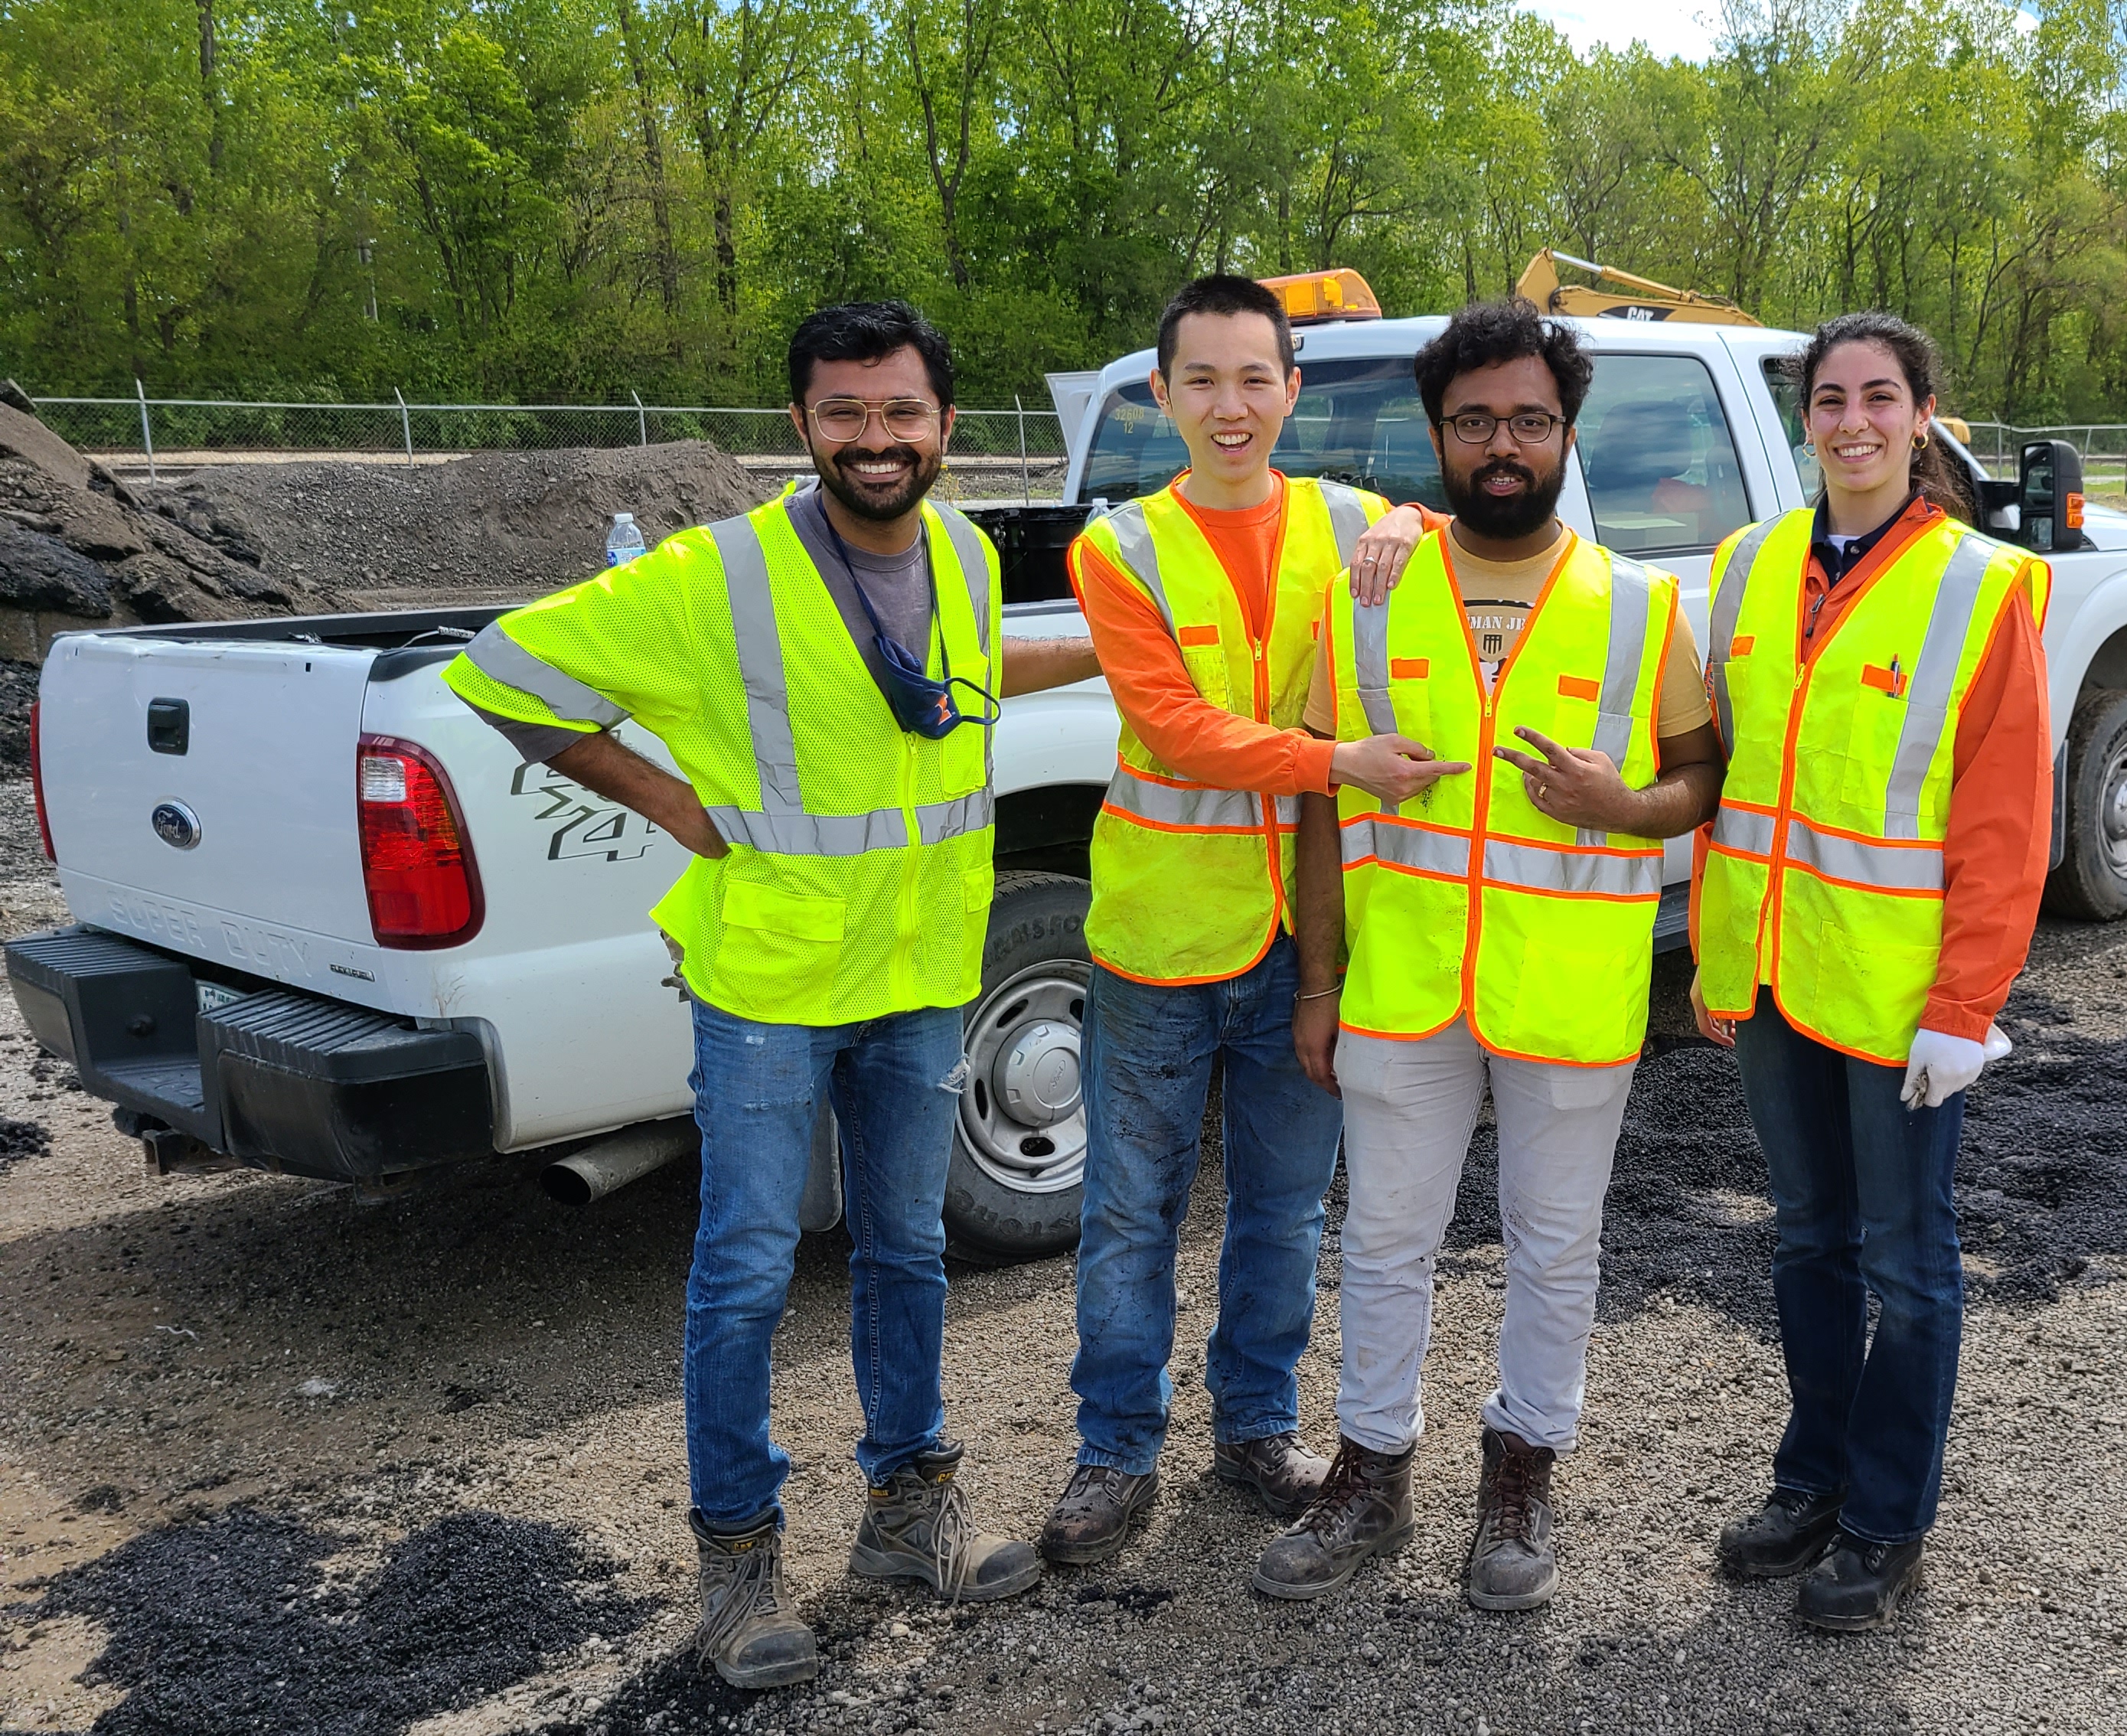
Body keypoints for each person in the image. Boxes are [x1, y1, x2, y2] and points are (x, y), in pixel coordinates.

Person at [446, 300, 1101, 1689]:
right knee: (745, 1270)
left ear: (944, 429)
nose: (878, 439)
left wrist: (1123, 648)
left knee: (909, 1250)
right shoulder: (713, 578)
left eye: (903, 412)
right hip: (770, 981)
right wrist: (665, 801)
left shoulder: (971, 560)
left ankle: (908, 1515)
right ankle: (738, 1565)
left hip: (924, 972)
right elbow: (501, 671)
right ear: (800, 426)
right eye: (847, 414)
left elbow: (949, 692)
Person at [1254, 299, 1724, 1612]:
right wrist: (1318, 981)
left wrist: (1625, 810)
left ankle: (1522, 1473)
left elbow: (1700, 777)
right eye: (1475, 423)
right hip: (1402, 986)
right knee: (1386, 1239)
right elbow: (1317, 801)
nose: (1502, 445)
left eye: (1528, 420)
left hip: (1567, 994)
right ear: (1438, 437)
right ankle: (1371, 1471)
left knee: (1553, 1245)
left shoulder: (1638, 607)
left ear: (1568, 433)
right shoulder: (1371, 594)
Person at [1042, 275, 1447, 1564]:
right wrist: (1338, 766)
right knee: (1129, 1211)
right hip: (1162, 939)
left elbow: (1464, 537)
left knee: (1284, 1207)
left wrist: (1420, 524)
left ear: (1292, 389)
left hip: (1308, 944)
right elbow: (1173, 729)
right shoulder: (1122, 548)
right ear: (1161, 395)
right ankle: (1115, 1451)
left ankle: (1257, 1430)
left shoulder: (1347, 515)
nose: (1232, 406)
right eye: (1202, 381)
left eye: (1255, 379)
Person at [1691, 312, 2053, 1633]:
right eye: (1831, 398)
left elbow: (2007, 821)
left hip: (1906, 1006)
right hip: (1780, 981)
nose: (1853, 421)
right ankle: (1812, 1481)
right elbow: (1727, 771)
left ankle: (1887, 1519)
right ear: (1806, 418)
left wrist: (1967, 1009)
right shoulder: (1747, 567)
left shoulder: (1981, 585)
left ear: (1922, 415)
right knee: (1806, 1243)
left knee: (1907, 1266)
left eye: (1880, 398)